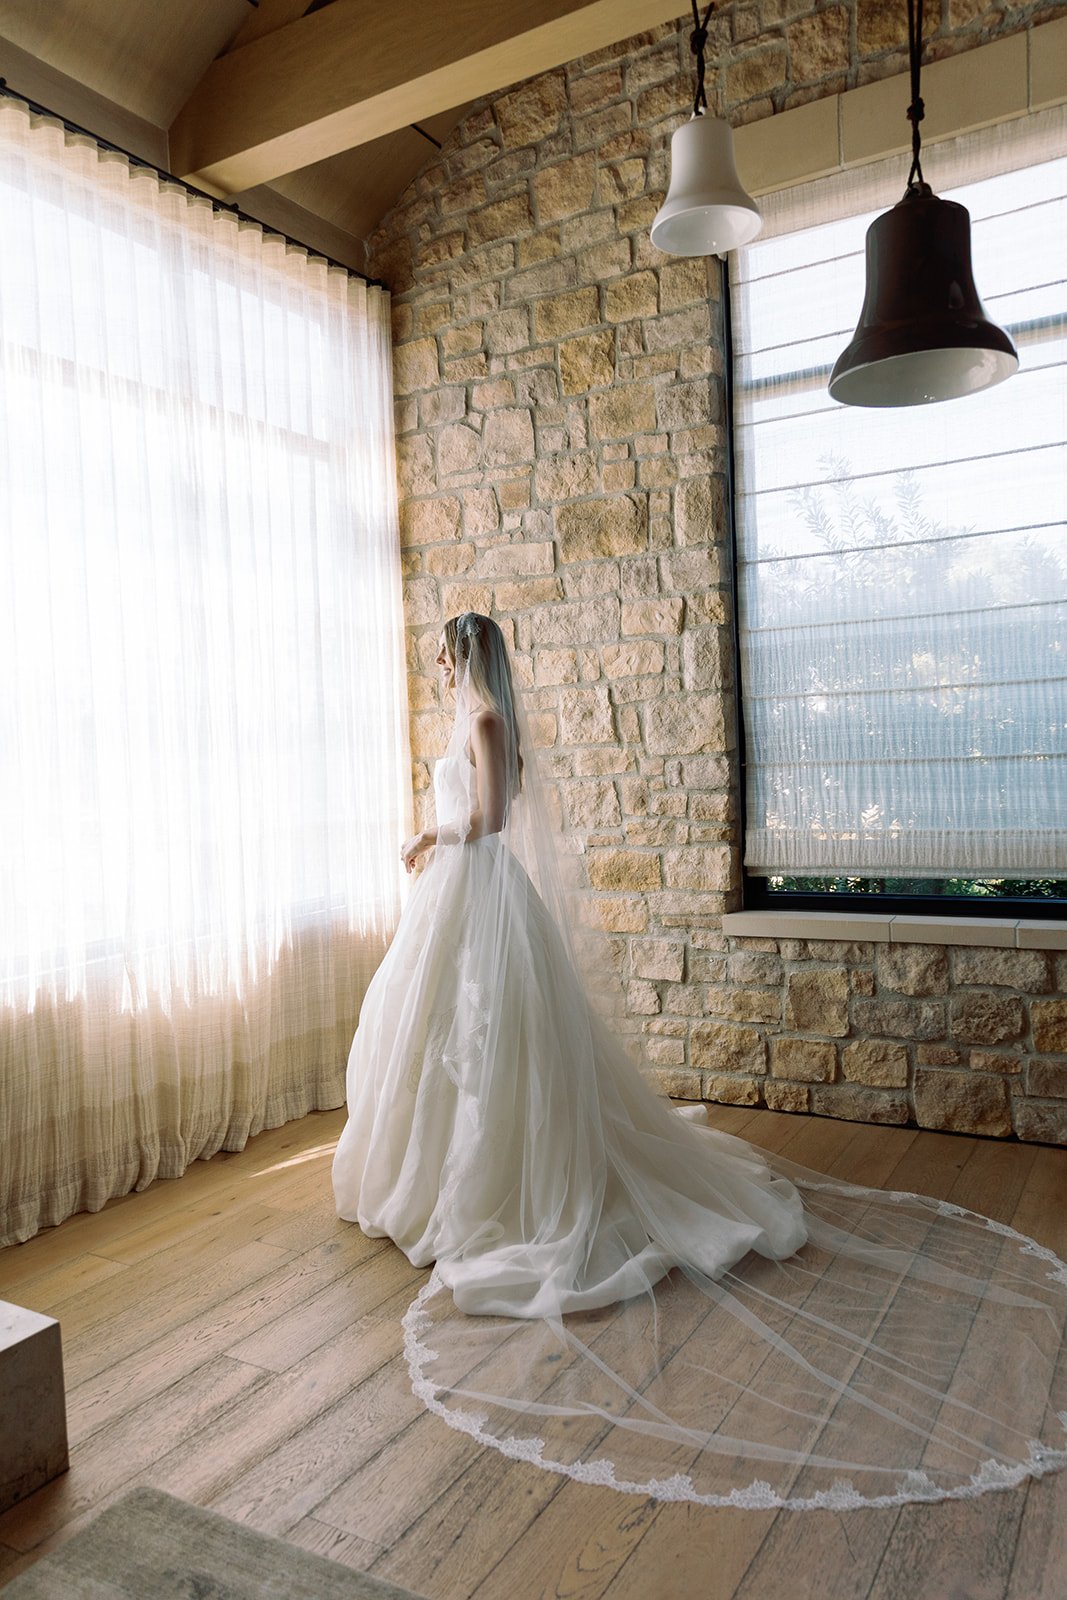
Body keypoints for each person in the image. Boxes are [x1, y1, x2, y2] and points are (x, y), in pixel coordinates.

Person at [333, 612, 1067, 1510]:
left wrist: (427, 838)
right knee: (437, 1035)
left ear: (466, 654)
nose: (438, 665)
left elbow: (486, 818)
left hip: (476, 888)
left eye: (445, 652)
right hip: (458, 895)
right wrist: (432, 835)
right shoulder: (473, 718)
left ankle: (499, 1185)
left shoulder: (485, 721)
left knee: (492, 1040)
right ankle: (432, 1170)